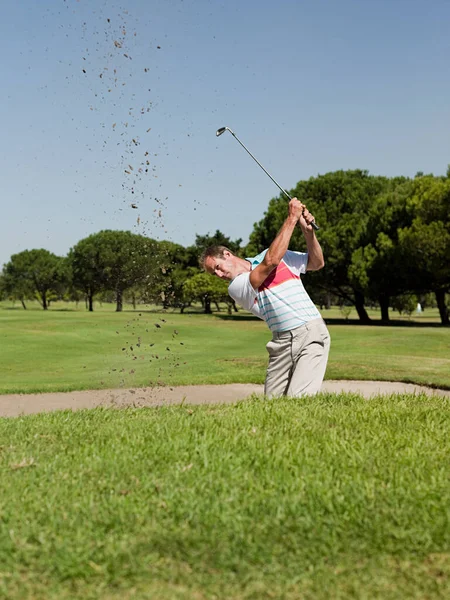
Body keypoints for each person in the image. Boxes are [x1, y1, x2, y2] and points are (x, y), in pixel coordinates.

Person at [200, 198, 330, 398]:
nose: (218, 275)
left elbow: (316, 262)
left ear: (227, 254)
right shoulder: (237, 287)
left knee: (299, 399)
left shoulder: (276, 255)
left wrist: (308, 232)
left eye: (217, 267)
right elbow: (270, 262)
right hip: (281, 342)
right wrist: (292, 218)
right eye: (213, 273)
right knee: (272, 404)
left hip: (310, 331)